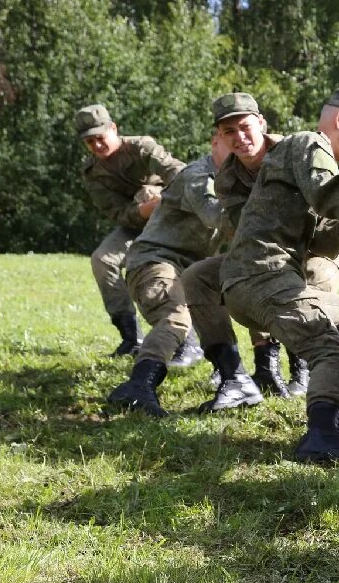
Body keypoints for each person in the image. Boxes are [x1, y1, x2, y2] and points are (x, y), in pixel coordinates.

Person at [220, 88, 339, 465]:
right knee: (329, 354)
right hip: (264, 278)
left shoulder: (293, 160)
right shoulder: (308, 144)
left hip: (253, 282)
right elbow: (329, 190)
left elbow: (314, 237)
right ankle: (321, 436)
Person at [107, 125, 245, 417]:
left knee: (238, 293)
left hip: (192, 270)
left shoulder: (240, 182)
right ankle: (138, 386)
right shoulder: (197, 176)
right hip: (153, 261)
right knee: (176, 317)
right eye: (229, 141)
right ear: (215, 142)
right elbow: (215, 216)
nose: (238, 148)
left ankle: (236, 377)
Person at [181, 93, 307, 410]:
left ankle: (311, 371)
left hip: (314, 247)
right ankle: (235, 377)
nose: (239, 138)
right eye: (229, 132)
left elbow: (331, 202)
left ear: (261, 123)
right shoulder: (227, 178)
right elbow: (245, 236)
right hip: (266, 253)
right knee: (200, 276)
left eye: (245, 127)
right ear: (219, 138)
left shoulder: (296, 152)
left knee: (306, 278)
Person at [76, 104, 186, 359]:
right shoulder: (93, 173)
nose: (97, 146)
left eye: (100, 138)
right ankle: (130, 336)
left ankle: (183, 334)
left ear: (113, 129)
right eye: (90, 142)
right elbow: (115, 212)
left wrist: (161, 200)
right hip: (135, 224)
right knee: (103, 259)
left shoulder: (141, 147)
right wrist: (142, 211)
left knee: (160, 265)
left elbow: (178, 172)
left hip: (170, 218)